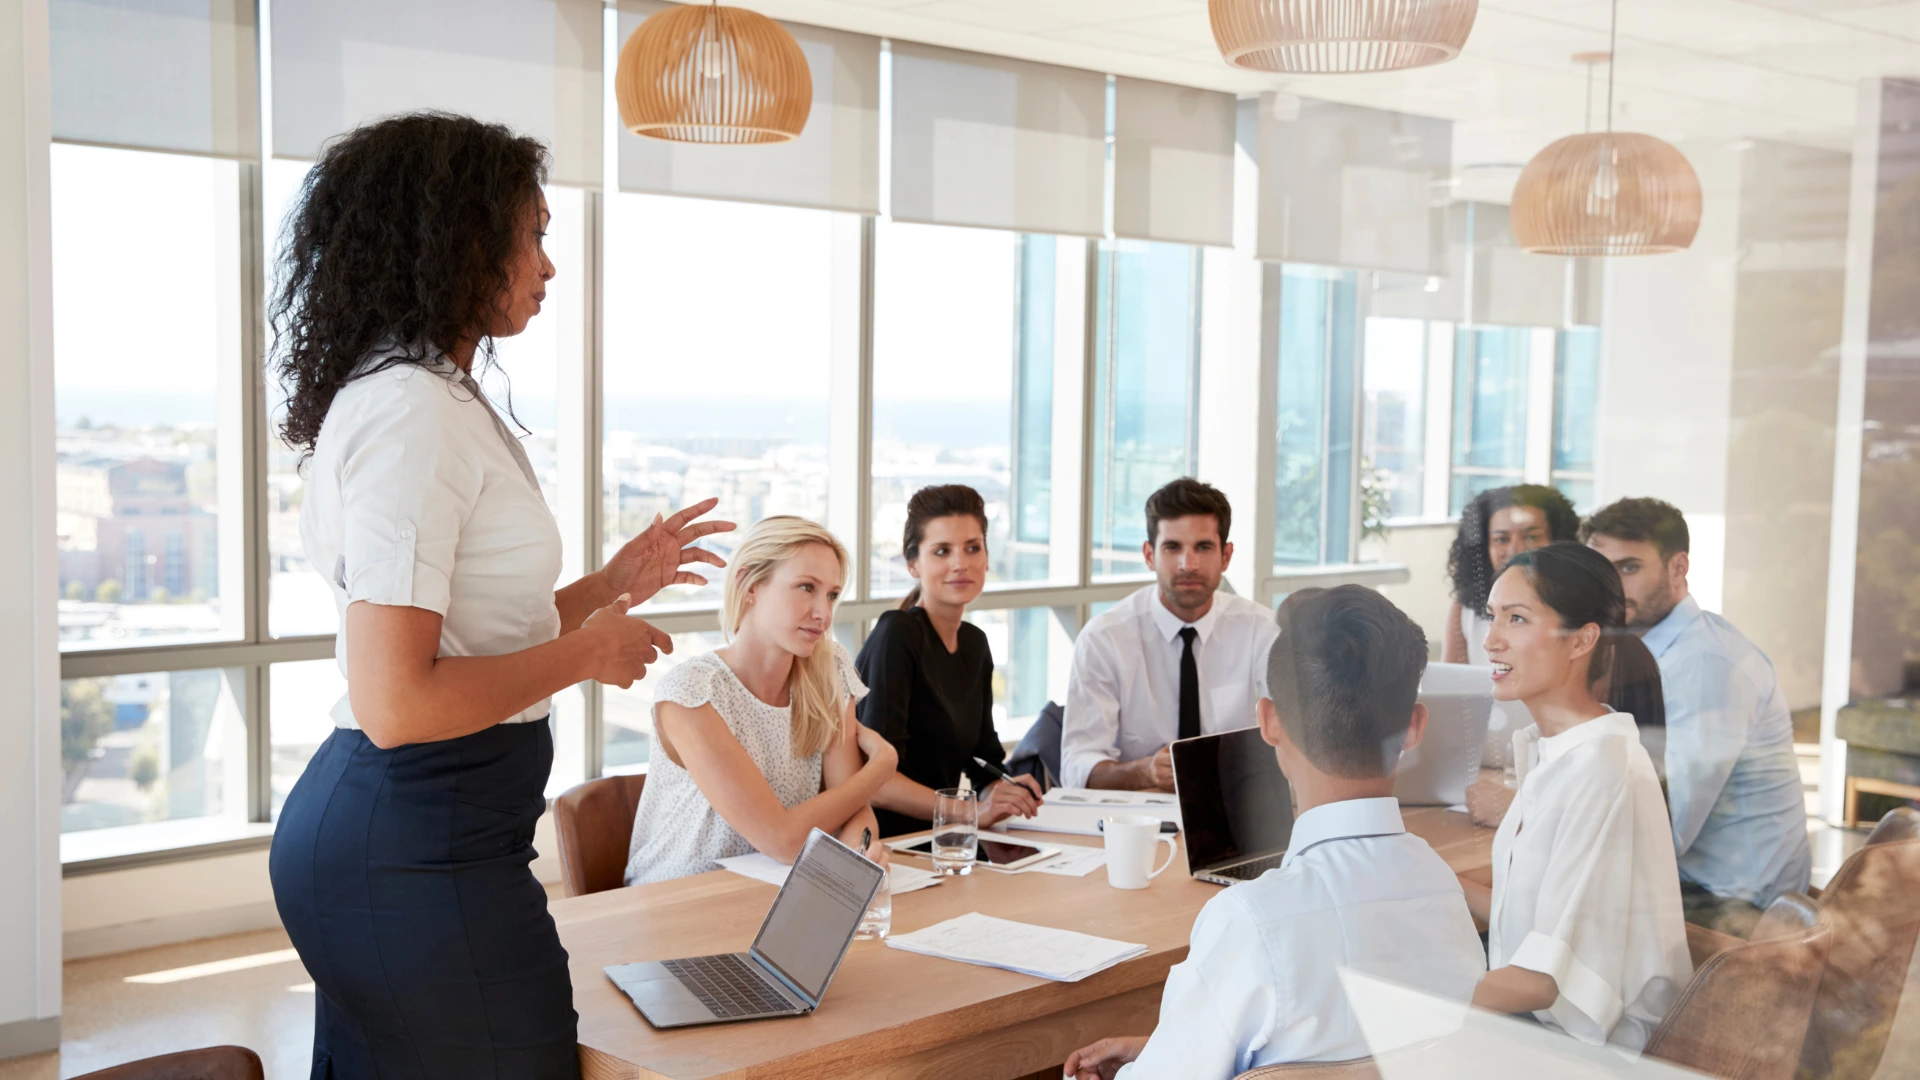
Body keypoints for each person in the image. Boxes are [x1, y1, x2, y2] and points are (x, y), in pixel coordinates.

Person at [268, 113, 732, 1079]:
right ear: (459, 237)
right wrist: (588, 653)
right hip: (413, 837)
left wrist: (607, 589)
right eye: (536, 235)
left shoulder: (432, 393)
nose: (549, 267)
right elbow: (401, 703)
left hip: (429, 828)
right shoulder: (410, 412)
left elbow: (470, 641)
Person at [1063, 587, 1486, 1079]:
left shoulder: (1251, 921)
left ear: (1268, 723)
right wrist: (1168, 1043)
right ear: (1414, 727)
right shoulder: (1445, 894)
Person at [1460, 542, 1691, 1052]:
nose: (1493, 640)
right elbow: (1540, 918)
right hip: (1543, 1029)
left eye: (1517, 619)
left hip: (1588, 1055)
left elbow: (1544, 982)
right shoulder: (1557, 751)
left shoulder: (1602, 768)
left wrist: (1393, 996)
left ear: (1581, 640)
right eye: (1492, 617)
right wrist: (1436, 882)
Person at [623, 516, 896, 885]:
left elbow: (852, 810)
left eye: (831, 594)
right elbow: (781, 840)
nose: (824, 613)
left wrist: (852, 867)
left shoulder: (829, 669)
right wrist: (881, 765)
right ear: (750, 585)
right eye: (806, 587)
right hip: (675, 900)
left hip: (776, 896)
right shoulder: (691, 692)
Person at [1582, 498, 1812, 933]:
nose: (1610, 586)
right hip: (1702, 885)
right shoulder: (1651, 649)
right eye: (1601, 569)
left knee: (1542, 920)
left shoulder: (1704, 665)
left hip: (1735, 908)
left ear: (1677, 568)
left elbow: (1664, 831)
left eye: (1629, 568)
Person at [1059, 478, 1278, 792]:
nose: (1188, 565)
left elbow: (1293, 739)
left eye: (1203, 547)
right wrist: (1145, 771)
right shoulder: (1104, 638)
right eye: (1172, 547)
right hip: (1136, 818)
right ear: (1149, 555)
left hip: (1236, 808)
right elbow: (1077, 767)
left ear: (1226, 556)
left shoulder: (1261, 629)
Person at [856, 485, 1044, 836]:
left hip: (941, 837)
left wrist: (1003, 792)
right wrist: (969, 811)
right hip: (887, 842)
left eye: (972, 548)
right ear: (913, 564)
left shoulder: (975, 644)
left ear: (987, 558)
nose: (960, 563)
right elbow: (877, 784)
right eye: (942, 551)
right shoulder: (897, 634)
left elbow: (983, 760)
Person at [1443, 484, 1581, 664]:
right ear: (1485, 549)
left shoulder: (1579, 604)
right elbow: (1450, 682)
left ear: (1558, 540)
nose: (1516, 550)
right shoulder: (1463, 609)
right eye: (1501, 539)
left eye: (1531, 537)